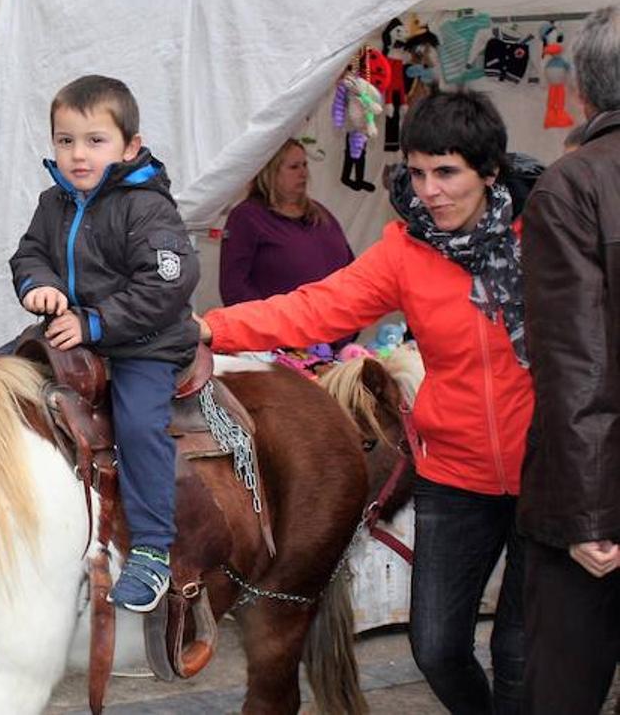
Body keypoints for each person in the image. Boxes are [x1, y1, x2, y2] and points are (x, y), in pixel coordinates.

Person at [197, 90, 532, 714]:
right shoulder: (408, 249)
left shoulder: (542, 233)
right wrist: (212, 330)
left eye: (448, 172)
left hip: (545, 472)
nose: (429, 190)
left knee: (519, 651)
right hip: (456, 476)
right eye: (419, 173)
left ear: (489, 172)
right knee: (435, 647)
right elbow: (316, 306)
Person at [9, 75, 199, 612]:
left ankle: (153, 551)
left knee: (138, 424)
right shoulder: (55, 203)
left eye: (95, 141)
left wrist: (94, 324)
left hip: (143, 340)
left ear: (129, 147)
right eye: (65, 141)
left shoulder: (146, 207)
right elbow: (29, 253)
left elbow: (167, 284)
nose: (77, 154)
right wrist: (38, 284)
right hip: (72, 333)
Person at [518, 4, 620, 714]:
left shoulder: (574, 184)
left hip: (600, 500)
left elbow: (575, 363)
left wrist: (588, 516)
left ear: (583, 91)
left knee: (565, 691)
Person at [218, 138, 353, 308]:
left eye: (305, 165)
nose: (303, 173)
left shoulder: (319, 213)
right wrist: (270, 324)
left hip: (334, 326)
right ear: (270, 172)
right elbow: (234, 288)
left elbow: (350, 267)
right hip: (281, 330)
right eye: (294, 167)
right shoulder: (247, 218)